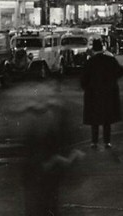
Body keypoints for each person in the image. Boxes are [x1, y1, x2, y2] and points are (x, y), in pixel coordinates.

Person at [22, 82, 82, 216]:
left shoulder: (35, 117)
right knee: (47, 202)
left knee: (40, 203)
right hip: (45, 168)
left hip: (40, 169)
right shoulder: (50, 116)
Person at [79, 37, 123, 150]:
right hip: (108, 93)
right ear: (102, 48)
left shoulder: (90, 62)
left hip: (93, 94)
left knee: (94, 120)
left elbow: (83, 79)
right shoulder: (110, 60)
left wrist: (87, 88)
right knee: (107, 120)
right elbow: (121, 71)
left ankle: (94, 142)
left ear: (93, 50)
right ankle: (107, 142)